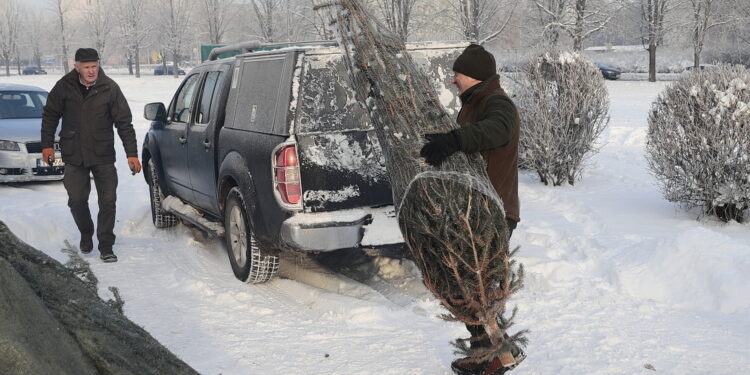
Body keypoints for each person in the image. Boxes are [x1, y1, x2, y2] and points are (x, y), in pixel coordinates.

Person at [419, 44, 524, 375]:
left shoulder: (497, 103)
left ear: (474, 75)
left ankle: (494, 356)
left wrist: (454, 140)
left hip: (492, 211)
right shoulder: (475, 103)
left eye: (457, 74)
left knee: (475, 286)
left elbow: (498, 130)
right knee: (473, 286)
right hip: (474, 211)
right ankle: (492, 354)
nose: (453, 80)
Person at [41, 48, 141, 263]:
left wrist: (132, 154)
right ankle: (86, 233)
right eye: (86, 67)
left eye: (94, 66)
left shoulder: (110, 88)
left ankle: (106, 245)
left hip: (102, 154)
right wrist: (47, 146)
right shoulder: (64, 87)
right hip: (74, 154)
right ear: (76, 67)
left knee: (108, 201)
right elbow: (50, 115)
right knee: (76, 200)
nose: (91, 71)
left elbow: (124, 123)